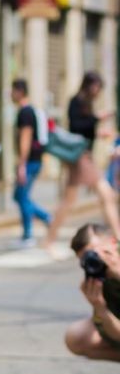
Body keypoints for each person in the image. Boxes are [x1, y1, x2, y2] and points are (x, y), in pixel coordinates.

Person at [45, 71, 120, 251]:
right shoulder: (76, 102)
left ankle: (49, 239)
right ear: (89, 85)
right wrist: (97, 118)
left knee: (70, 200)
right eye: (96, 87)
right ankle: (118, 236)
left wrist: (99, 132)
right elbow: (76, 127)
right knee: (105, 195)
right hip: (81, 158)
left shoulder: (86, 103)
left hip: (84, 157)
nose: (97, 91)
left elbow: (85, 130)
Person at [65, 223, 120, 362]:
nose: (95, 260)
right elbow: (116, 335)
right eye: (86, 258)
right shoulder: (100, 276)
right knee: (77, 337)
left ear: (113, 242)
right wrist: (100, 307)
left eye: (96, 253)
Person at [11, 78, 51, 246]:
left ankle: (29, 234)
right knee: (19, 196)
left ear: (19, 91)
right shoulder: (32, 110)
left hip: (29, 161)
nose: (11, 94)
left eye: (13, 91)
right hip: (34, 160)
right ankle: (46, 218)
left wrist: (21, 164)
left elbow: (25, 138)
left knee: (22, 196)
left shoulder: (25, 112)